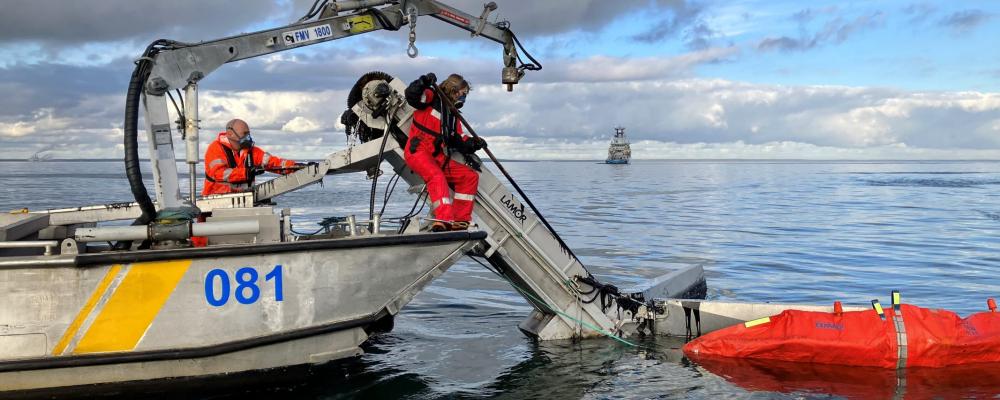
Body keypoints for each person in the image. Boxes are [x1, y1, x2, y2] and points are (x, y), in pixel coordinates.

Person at [404, 73, 487, 231]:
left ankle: (460, 220)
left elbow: (459, 140)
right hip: (418, 151)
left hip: (436, 156)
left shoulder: (452, 115)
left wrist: (474, 144)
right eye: (463, 94)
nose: (463, 98)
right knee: (437, 176)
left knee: (469, 177)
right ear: (454, 91)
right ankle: (442, 220)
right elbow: (412, 95)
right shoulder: (431, 97)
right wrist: (422, 82)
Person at [202, 119, 299, 195]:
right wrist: (247, 172)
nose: (248, 137)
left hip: (245, 200)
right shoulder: (215, 149)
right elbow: (219, 174)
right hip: (215, 200)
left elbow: (273, 162)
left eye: (248, 134)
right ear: (230, 134)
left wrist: (297, 167)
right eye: (244, 134)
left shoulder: (251, 151)